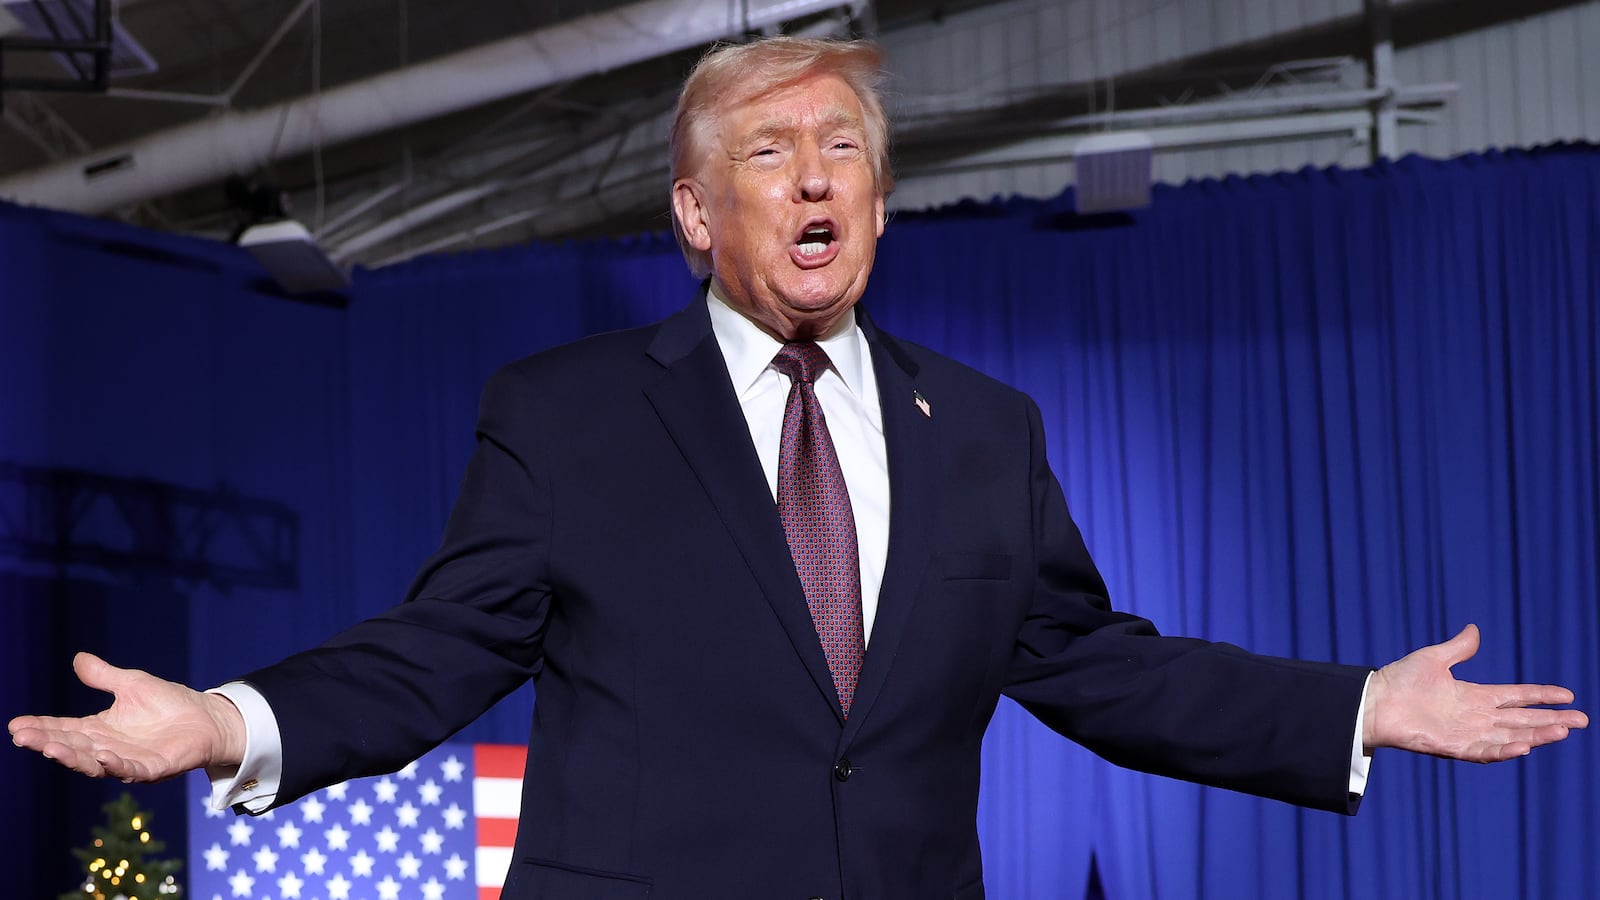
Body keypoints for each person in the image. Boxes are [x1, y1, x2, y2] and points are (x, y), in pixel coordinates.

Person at [9, 37, 1586, 900]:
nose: (815, 175)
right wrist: (223, 722)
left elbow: (1099, 667)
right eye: (769, 152)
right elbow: (436, 653)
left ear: (880, 205)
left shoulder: (983, 431)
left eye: (842, 150)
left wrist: (1356, 708)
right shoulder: (564, 414)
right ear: (699, 216)